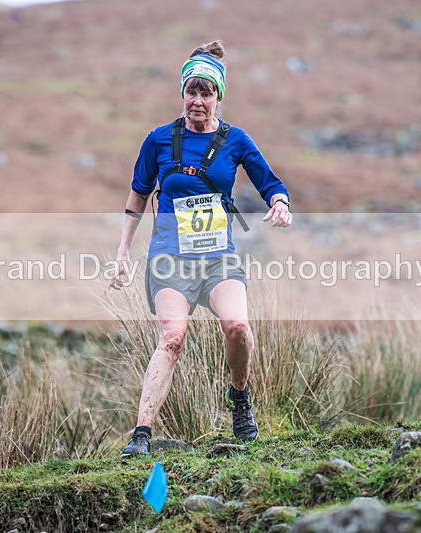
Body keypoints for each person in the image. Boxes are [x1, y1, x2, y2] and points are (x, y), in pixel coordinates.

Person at [111, 40, 292, 456]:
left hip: (217, 258)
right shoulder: (158, 141)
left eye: (206, 92)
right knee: (173, 337)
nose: (197, 100)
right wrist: (122, 251)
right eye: (191, 91)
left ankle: (240, 399)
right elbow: (137, 196)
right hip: (169, 259)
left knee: (238, 328)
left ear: (218, 96)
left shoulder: (236, 140)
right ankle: (141, 435)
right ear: (182, 93)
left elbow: (271, 182)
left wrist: (280, 203)